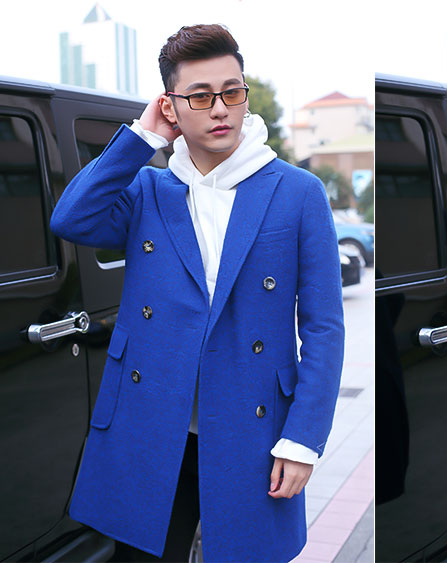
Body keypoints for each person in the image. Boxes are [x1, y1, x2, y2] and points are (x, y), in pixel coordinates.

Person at [50, 23, 344, 562]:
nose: (221, 109)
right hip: (152, 418)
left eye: (232, 92)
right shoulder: (148, 189)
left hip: (253, 423)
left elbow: (324, 327)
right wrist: (143, 136)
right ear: (171, 106)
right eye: (201, 97)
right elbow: (72, 217)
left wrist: (304, 438)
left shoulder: (297, 192)